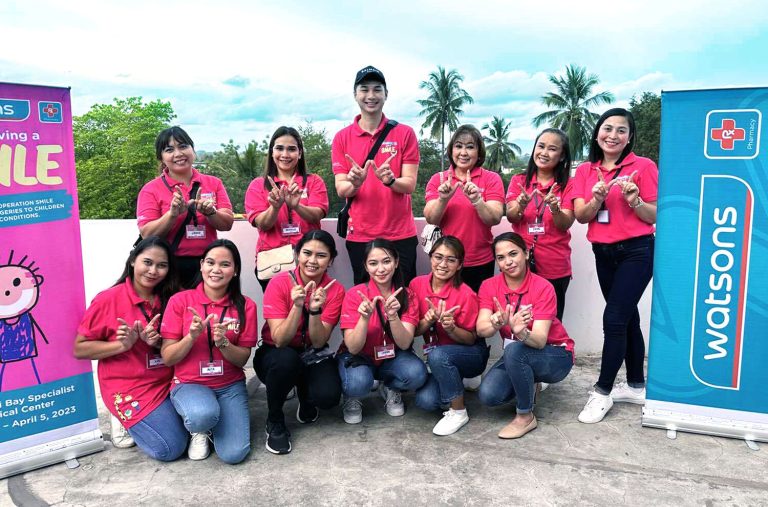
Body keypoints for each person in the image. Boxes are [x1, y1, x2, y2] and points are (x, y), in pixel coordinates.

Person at [571, 108, 657, 424]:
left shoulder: (643, 166)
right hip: (603, 253)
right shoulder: (585, 171)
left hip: (637, 251)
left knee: (614, 318)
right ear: (597, 134)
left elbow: (654, 214)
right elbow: (581, 216)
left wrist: (635, 200)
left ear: (630, 137)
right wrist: (597, 198)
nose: (613, 135)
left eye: (622, 130)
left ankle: (602, 391)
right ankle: (635, 386)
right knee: (628, 317)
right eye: (608, 128)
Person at [73, 236, 187, 461]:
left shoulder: (175, 296)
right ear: (133, 260)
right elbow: (80, 349)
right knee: (170, 448)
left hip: (171, 380)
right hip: (130, 387)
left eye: (161, 265)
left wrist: (159, 342)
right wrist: (121, 345)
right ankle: (124, 419)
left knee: (202, 421)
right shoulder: (108, 299)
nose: (153, 271)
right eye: (147, 262)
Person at [160, 239, 257, 464]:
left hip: (229, 386)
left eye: (225, 264)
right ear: (201, 265)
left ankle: (213, 419)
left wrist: (223, 343)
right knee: (202, 415)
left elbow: (242, 359)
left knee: (234, 454)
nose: (216, 269)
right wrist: (191, 337)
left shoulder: (246, 305)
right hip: (190, 383)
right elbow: (168, 357)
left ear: (235, 271)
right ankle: (199, 428)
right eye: (210, 262)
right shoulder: (180, 301)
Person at [476, 232, 575, 439]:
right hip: (518, 354)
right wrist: (495, 323)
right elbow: (481, 329)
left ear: (526, 253)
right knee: (489, 395)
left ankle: (525, 416)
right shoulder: (488, 286)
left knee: (514, 351)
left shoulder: (543, 287)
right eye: (501, 257)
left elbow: (539, 340)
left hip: (555, 354)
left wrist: (521, 332)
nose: (508, 262)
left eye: (513, 254)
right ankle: (530, 380)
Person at [254, 230, 344, 455]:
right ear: (296, 254)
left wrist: (314, 310)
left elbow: (319, 341)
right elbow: (280, 339)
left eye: (321, 255)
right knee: (286, 360)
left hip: (312, 352)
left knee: (328, 397)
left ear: (331, 260)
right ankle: (275, 421)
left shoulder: (335, 289)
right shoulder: (278, 283)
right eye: (307, 253)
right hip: (276, 354)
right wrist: (297, 306)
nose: (312, 261)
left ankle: (306, 394)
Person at [332, 65, 420, 286]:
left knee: (404, 297)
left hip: (400, 235)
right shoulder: (342, 138)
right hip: (360, 235)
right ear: (355, 95)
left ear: (386, 94)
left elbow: (410, 184)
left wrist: (391, 181)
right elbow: (341, 188)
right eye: (364, 89)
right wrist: (355, 184)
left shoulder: (405, 133)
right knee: (365, 298)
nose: (370, 95)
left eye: (377, 89)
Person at [337, 238, 427, 424]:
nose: (381, 269)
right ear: (365, 266)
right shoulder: (354, 294)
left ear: (396, 262)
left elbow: (404, 343)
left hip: (393, 356)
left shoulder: (407, 295)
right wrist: (364, 318)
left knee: (416, 374)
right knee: (357, 383)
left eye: (386, 261)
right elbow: (353, 348)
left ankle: (390, 387)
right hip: (359, 356)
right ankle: (352, 395)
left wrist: (393, 316)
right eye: (373, 263)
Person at [137, 126, 234, 288]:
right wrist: (172, 215)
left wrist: (211, 212)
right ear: (161, 158)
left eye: (183, 146)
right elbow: (147, 234)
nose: (178, 154)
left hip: (207, 265)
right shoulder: (151, 189)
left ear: (192, 150)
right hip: (168, 266)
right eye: (169, 150)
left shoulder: (213, 183)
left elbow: (227, 223)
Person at [411, 236, 488, 435]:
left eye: (451, 260)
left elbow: (471, 339)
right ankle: (454, 379)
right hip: (438, 355)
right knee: (426, 401)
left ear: (459, 265)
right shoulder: (416, 285)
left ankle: (459, 411)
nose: (443, 264)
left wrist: (451, 328)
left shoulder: (466, 294)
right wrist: (427, 320)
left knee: (438, 355)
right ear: (430, 257)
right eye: (438, 257)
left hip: (470, 354)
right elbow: (414, 331)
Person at [245, 126, 329, 293]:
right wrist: (275, 208)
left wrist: (297, 206)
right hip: (273, 261)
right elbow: (262, 224)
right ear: (272, 152)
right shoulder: (258, 185)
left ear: (300, 153)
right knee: (278, 308)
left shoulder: (314, 181)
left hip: (309, 260)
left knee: (310, 305)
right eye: (279, 148)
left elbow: (317, 215)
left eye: (291, 149)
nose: (285, 154)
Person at [424, 125, 505, 293]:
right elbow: (431, 218)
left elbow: (495, 218)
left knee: (479, 306)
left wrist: (477, 200)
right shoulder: (438, 179)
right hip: (447, 261)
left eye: (470, 147)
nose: (463, 152)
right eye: (458, 146)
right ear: (451, 150)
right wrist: (442, 199)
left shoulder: (491, 178)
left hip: (481, 261)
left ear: (479, 152)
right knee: (448, 307)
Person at [506, 128, 575, 320]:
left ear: (562, 156)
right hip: (521, 264)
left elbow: (564, 224)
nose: (544, 153)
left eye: (552, 149)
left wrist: (555, 208)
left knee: (551, 321)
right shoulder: (519, 180)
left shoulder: (568, 184)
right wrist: (520, 205)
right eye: (541, 146)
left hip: (555, 265)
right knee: (521, 320)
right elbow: (511, 217)